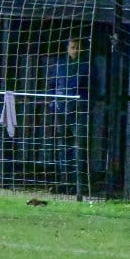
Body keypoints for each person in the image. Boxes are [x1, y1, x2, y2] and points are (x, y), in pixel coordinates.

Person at [46, 37, 89, 193]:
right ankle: (64, 181)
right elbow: (51, 85)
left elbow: (93, 87)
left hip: (79, 110)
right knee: (63, 146)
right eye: (73, 47)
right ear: (67, 48)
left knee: (78, 146)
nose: (75, 50)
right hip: (61, 110)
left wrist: (86, 103)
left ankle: (78, 184)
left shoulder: (86, 66)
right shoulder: (59, 65)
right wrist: (53, 103)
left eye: (78, 47)